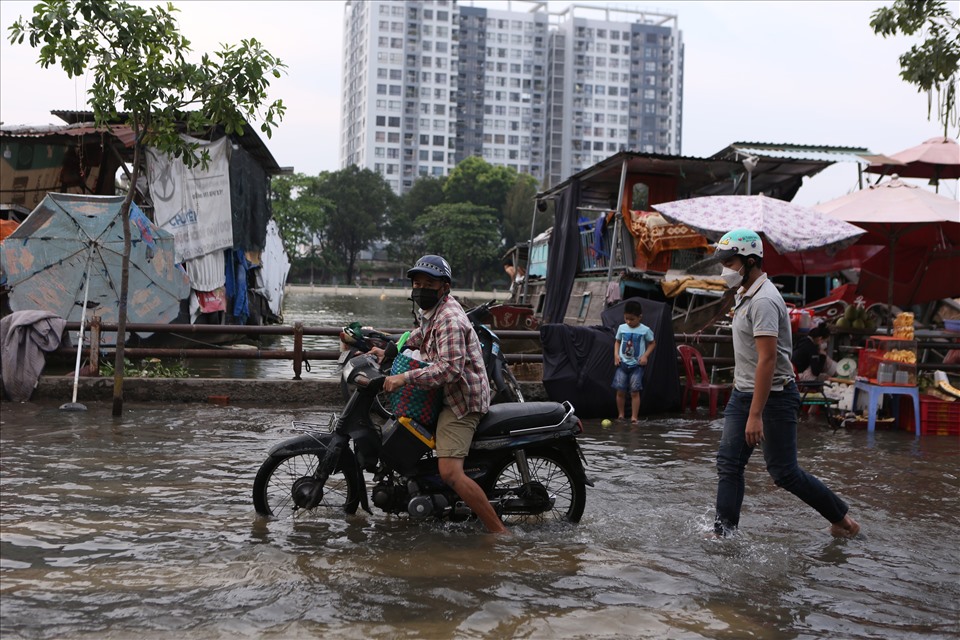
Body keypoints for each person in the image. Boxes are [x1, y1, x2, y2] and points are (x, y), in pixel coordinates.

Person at [711, 229, 859, 539]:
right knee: (729, 463)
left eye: (730, 262)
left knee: (784, 473)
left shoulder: (764, 300)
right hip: (744, 392)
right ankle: (724, 534)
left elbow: (767, 360)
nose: (726, 269)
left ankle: (843, 520)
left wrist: (755, 414)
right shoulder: (744, 293)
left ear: (750, 261)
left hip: (773, 397)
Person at [374, 255, 509, 535]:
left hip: (461, 401)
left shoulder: (449, 318)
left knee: (450, 472)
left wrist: (403, 378)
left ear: (444, 287)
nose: (421, 288)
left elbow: (449, 371)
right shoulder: (434, 311)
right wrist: (389, 350)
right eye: (417, 283)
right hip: (444, 393)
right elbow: (420, 335)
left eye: (429, 283)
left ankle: (498, 532)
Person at [612, 300, 656, 423]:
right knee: (620, 390)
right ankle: (621, 414)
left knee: (634, 392)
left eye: (632, 319)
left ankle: (634, 417)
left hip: (637, 365)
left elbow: (652, 343)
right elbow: (617, 341)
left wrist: (645, 356)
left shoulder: (645, 330)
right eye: (626, 318)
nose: (629, 322)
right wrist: (616, 355)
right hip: (622, 364)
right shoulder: (622, 328)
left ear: (640, 317)